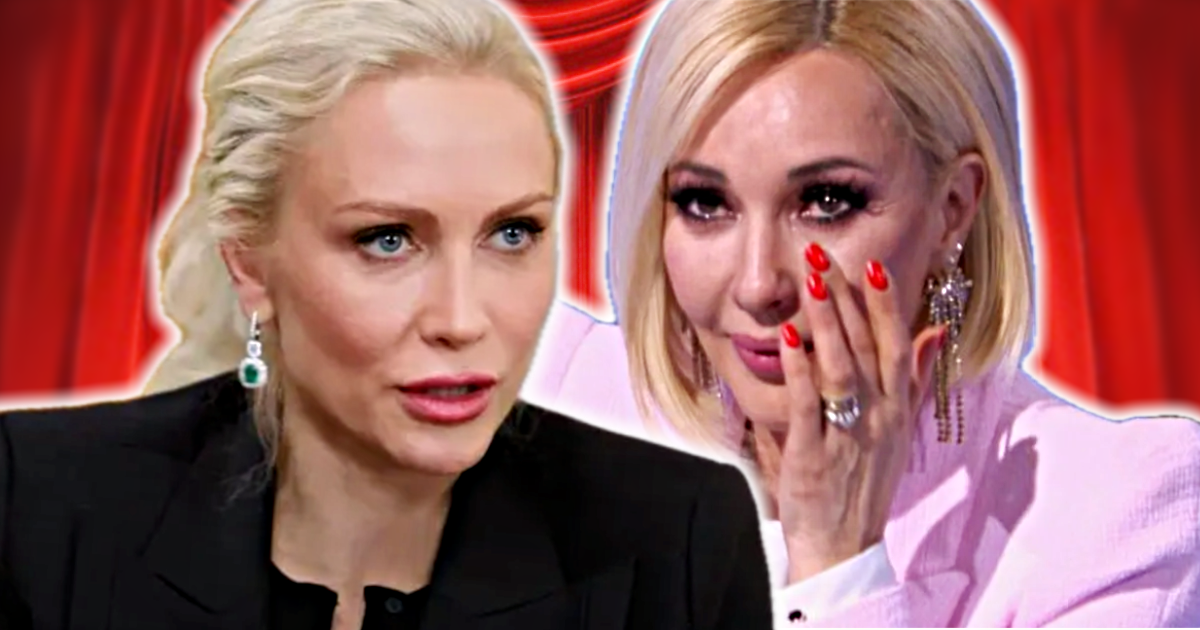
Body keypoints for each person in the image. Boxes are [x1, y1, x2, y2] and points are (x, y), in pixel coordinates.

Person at [0, 1, 775, 628]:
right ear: (249, 264)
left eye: (512, 234)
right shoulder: (34, 505)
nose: (462, 319)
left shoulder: (678, 541)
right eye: (388, 240)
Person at [522, 0, 1200, 626]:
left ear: (953, 210)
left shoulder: (1115, 512)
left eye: (825, 202)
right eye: (705, 203)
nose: (758, 284)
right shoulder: (545, 391)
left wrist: (838, 562)